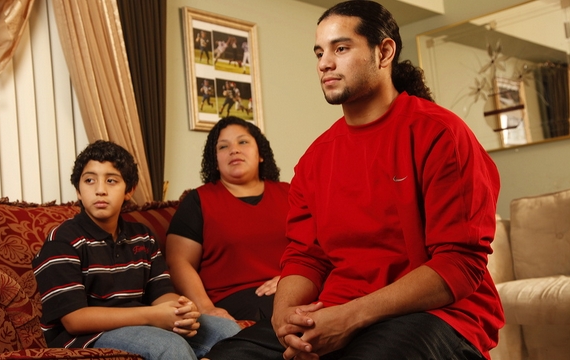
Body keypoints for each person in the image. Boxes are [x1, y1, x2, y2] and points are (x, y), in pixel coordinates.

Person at [203, 1, 504, 359]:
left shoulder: (440, 134)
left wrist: (351, 317)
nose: (324, 63)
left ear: (384, 52)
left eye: (341, 48)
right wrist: (285, 319)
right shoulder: (315, 159)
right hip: (335, 310)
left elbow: (459, 262)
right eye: (319, 52)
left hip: (436, 315)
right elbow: (305, 258)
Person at [32, 140, 240, 360]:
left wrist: (180, 309)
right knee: (168, 346)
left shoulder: (142, 236)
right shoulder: (63, 240)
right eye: (89, 180)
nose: (100, 190)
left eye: (111, 181)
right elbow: (74, 320)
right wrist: (152, 316)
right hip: (85, 336)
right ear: (79, 191)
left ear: (129, 191)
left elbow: (161, 294)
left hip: (141, 322)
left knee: (228, 332)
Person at [166, 116, 290, 323]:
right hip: (235, 299)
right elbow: (179, 261)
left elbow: (318, 247)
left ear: (260, 153)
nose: (234, 150)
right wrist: (206, 307)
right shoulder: (197, 201)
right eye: (223, 147)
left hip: (293, 288)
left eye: (243, 142)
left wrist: (293, 278)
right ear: (215, 160)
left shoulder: (291, 193)